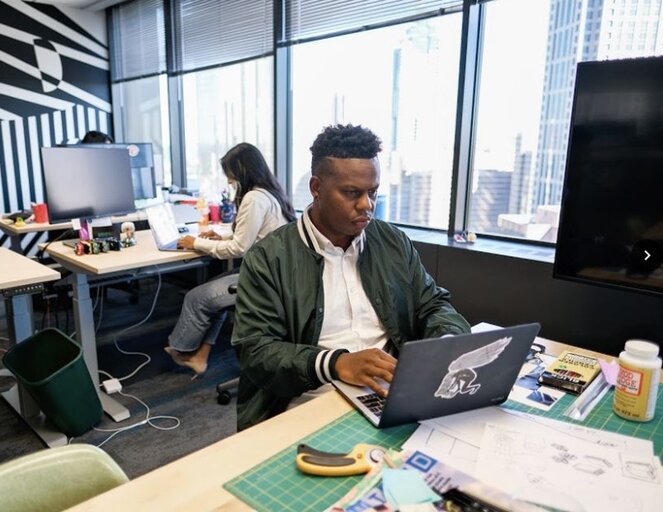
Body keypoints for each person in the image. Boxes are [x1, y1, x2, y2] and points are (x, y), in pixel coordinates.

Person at [231, 124, 471, 430]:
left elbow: (432, 304)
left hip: (387, 391)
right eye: (352, 193)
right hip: (311, 396)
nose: (367, 205)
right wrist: (337, 364)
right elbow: (256, 350)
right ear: (316, 188)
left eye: (373, 192)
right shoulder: (268, 258)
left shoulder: (391, 241)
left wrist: (446, 342)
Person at [164, 142, 296, 376]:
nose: (229, 180)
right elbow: (254, 234)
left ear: (243, 170)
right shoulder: (270, 193)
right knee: (214, 295)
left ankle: (181, 351)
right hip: (277, 276)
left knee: (197, 298)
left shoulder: (254, 198)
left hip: (265, 282)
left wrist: (196, 243)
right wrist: (221, 234)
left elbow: (239, 248)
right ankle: (200, 357)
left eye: (230, 174)